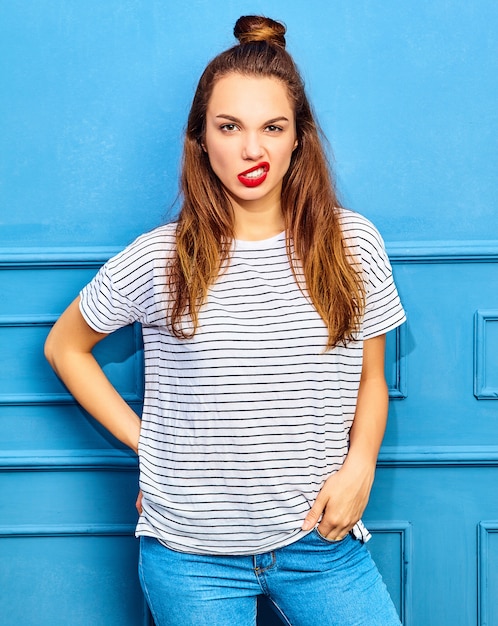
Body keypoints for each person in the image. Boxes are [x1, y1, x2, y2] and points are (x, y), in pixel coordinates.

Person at [45, 15, 406, 626]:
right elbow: (65, 347)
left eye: (273, 127)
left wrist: (360, 467)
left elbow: (370, 379)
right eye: (229, 126)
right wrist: (151, 451)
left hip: (321, 541)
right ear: (202, 139)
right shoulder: (160, 258)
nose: (251, 149)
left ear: (299, 140)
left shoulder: (353, 245)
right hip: (190, 558)